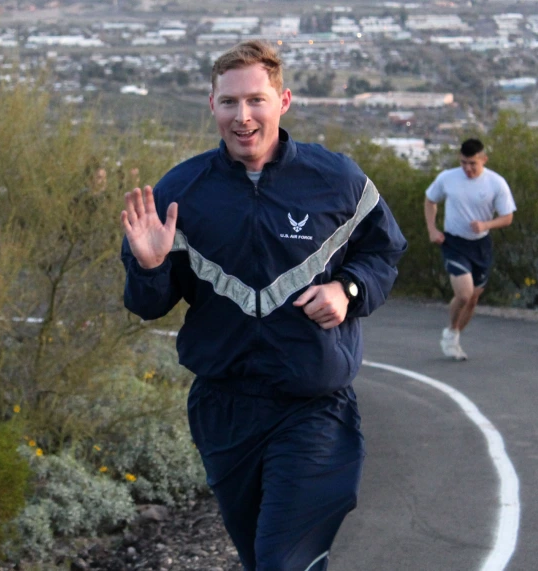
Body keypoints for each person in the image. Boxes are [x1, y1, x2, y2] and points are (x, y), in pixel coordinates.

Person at [121, 40, 407, 571]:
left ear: (284, 101)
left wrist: (347, 291)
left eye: (256, 100)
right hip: (223, 409)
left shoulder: (335, 180)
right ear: (212, 106)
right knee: (261, 559)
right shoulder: (181, 192)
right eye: (229, 102)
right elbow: (147, 305)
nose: (243, 116)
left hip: (313, 407)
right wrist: (151, 267)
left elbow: (383, 251)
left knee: (285, 562)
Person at [424, 139, 516, 360]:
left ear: (483, 159)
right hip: (454, 243)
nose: (467, 168)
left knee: (473, 299)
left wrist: (486, 225)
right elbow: (429, 200)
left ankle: (453, 334)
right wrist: (432, 229)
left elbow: (507, 217)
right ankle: (451, 331)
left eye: (472, 163)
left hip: (481, 245)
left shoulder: (496, 183)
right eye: (464, 162)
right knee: (464, 294)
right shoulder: (447, 178)